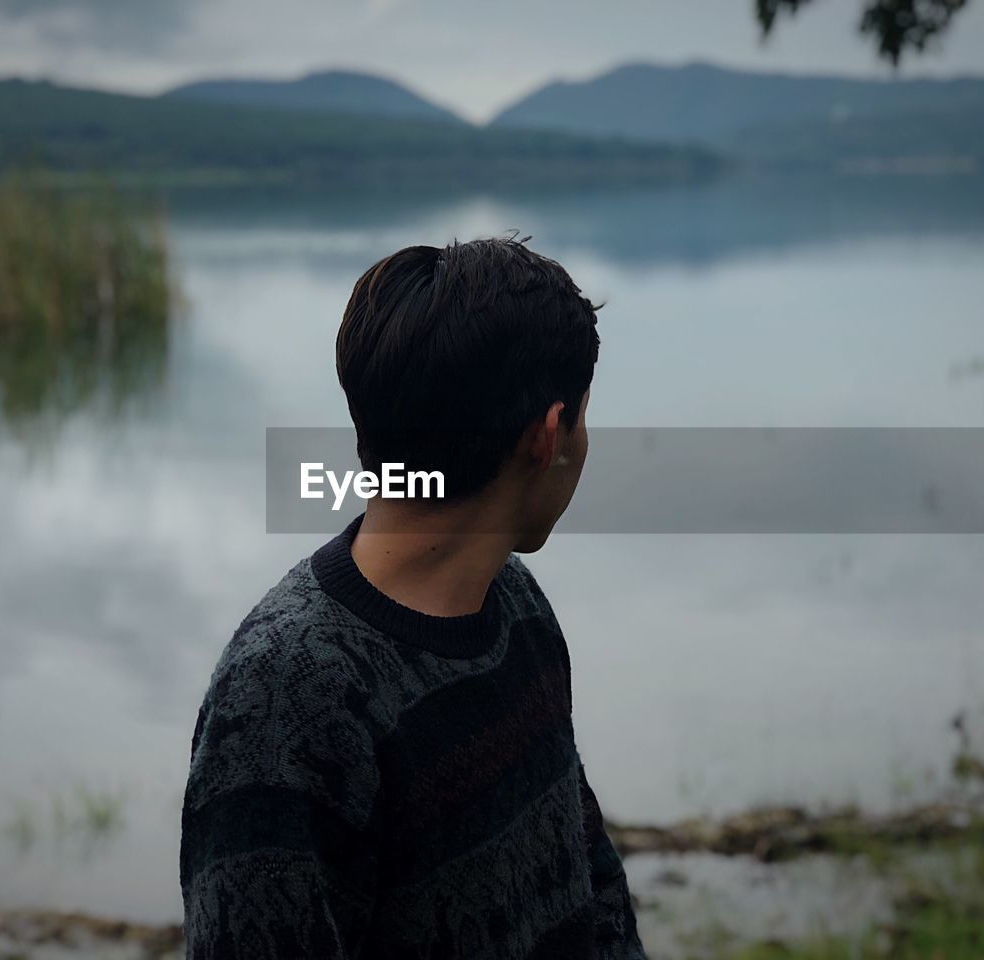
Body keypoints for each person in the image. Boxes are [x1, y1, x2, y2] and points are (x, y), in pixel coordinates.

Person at [180, 237, 646, 959]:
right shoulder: (284, 696)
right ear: (549, 435)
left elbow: (588, 877)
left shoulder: (514, 606)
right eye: (584, 418)